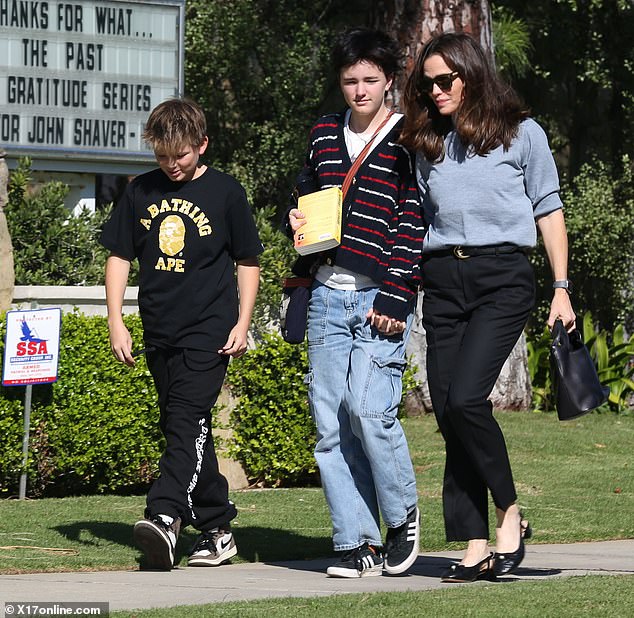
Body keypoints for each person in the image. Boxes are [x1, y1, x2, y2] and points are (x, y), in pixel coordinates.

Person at [400, 32, 576, 582]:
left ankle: (509, 512)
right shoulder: (427, 141)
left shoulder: (522, 134)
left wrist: (562, 286)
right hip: (443, 279)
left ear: (472, 75)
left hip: (502, 277)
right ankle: (475, 541)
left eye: (445, 80)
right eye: (427, 83)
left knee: (469, 399)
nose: (435, 91)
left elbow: (548, 209)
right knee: (448, 409)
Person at [100, 98, 263, 571]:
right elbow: (119, 257)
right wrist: (116, 320)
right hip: (158, 329)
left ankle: (165, 516)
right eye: (162, 156)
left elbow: (247, 261)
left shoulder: (226, 193)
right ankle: (216, 530)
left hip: (209, 330)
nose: (171, 165)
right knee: (186, 427)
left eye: (181, 156)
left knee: (186, 419)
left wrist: (243, 322)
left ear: (202, 144)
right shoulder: (139, 191)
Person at [286, 27, 425, 578]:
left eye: (370, 79)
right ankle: (355, 543)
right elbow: (304, 195)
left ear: (389, 81)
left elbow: (413, 222)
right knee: (330, 425)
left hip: (379, 296)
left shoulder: (407, 137)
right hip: (325, 294)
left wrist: (396, 292)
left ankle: (401, 514)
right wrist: (293, 219)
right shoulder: (323, 133)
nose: (360, 90)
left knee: (370, 412)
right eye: (350, 81)